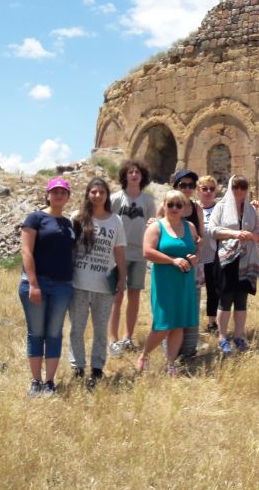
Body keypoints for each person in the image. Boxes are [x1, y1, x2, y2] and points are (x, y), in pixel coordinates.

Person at [19, 177, 76, 397]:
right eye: (55, 192)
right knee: (36, 333)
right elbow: (26, 251)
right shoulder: (35, 218)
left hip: (62, 285)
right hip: (37, 283)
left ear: (68, 196)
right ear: (48, 194)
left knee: (54, 333)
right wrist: (33, 283)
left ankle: (50, 382)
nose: (59, 195)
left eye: (63, 192)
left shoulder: (68, 223)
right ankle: (35, 381)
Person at [68, 178, 126, 389]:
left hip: (104, 284)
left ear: (107, 195)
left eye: (101, 192)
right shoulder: (76, 217)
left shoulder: (115, 221)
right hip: (79, 283)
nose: (97, 196)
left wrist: (122, 278)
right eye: (93, 192)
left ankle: (97, 369)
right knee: (77, 328)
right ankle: (78, 367)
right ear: (87, 194)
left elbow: (119, 250)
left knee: (101, 329)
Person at [136, 190, 199, 375]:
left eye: (178, 205)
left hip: (184, 280)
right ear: (164, 205)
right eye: (170, 204)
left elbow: (194, 251)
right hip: (165, 280)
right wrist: (173, 260)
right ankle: (144, 355)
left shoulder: (190, 227)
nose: (174, 208)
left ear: (184, 208)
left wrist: (192, 258)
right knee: (164, 324)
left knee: (179, 323)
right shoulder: (156, 227)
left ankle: (170, 364)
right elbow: (147, 252)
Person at [206, 174, 259, 356]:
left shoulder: (250, 210)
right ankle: (222, 337)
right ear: (230, 188)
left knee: (241, 300)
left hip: (246, 260)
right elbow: (212, 230)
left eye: (243, 187)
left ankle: (239, 336)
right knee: (226, 299)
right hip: (226, 260)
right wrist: (234, 234)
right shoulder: (221, 207)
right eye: (236, 187)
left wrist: (251, 236)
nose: (239, 191)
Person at [155, 170, 206, 361]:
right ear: (175, 186)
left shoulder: (196, 208)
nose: (186, 188)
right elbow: (156, 230)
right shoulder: (166, 205)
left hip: (191, 266)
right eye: (182, 185)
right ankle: (170, 353)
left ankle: (188, 350)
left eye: (190, 185)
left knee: (190, 306)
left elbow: (201, 237)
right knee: (171, 308)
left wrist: (197, 252)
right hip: (169, 266)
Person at [108, 159, 157, 355]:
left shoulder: (148, 202)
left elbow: (152, 225)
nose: (134, 175)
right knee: (117, 296)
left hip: (139, 253)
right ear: (125, 176)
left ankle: (128, 336)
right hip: (119, 253)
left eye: (137, 172)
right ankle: (113, 339)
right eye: (130, 172)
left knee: (134, 295)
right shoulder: (116, 199)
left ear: (142, 176)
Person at [197, 175, 221, 334]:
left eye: (211, 189)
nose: (208, 192)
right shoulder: (191, 207)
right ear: (198, 190)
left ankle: (212, 323)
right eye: (204, 188)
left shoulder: (220, 208)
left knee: (214, 290)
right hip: (196, 256)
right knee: (194, 290)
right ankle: (190, 324)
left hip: (214, 255)